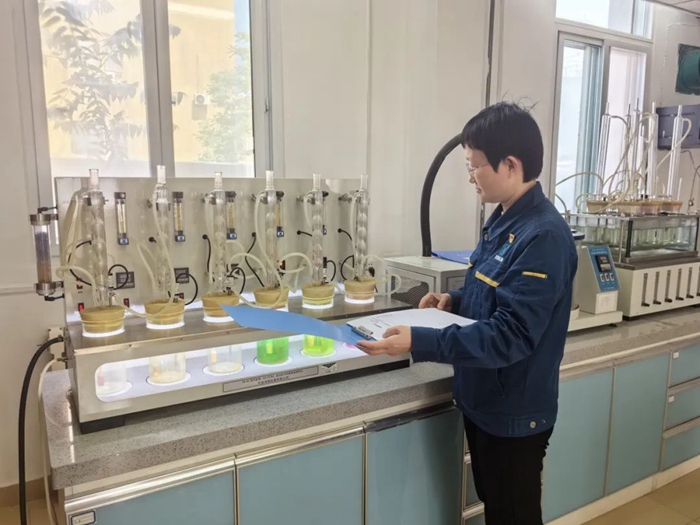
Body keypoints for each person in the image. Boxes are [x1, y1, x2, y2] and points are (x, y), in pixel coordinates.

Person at [358, 102, 578, 525]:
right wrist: (454, 302)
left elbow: (511, 336)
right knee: (498, 507)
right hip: (484, 402)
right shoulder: (504, 221)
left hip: (513, 413)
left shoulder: (543, 236)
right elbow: (495, 295)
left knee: (513, 515)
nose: (470, 177)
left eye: (474, 166)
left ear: (510, 165)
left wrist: (419, 341)